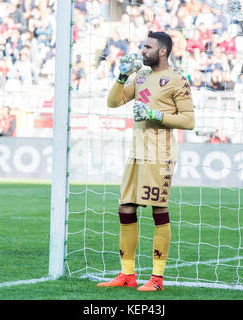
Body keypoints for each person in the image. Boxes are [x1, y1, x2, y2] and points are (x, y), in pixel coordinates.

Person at [97, 31, 195, 292]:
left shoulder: (177, 80)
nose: (142, 51)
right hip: (136, 154)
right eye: (142, 46)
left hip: (159, 155)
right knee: (125, 208)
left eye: (147, 47)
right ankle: (127, 274)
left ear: (162, 51)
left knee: (158, 211)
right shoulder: (140, 76)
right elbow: (113, 102)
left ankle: (157, 279)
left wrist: (156, 114)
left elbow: (189, 120)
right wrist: (121, 76)